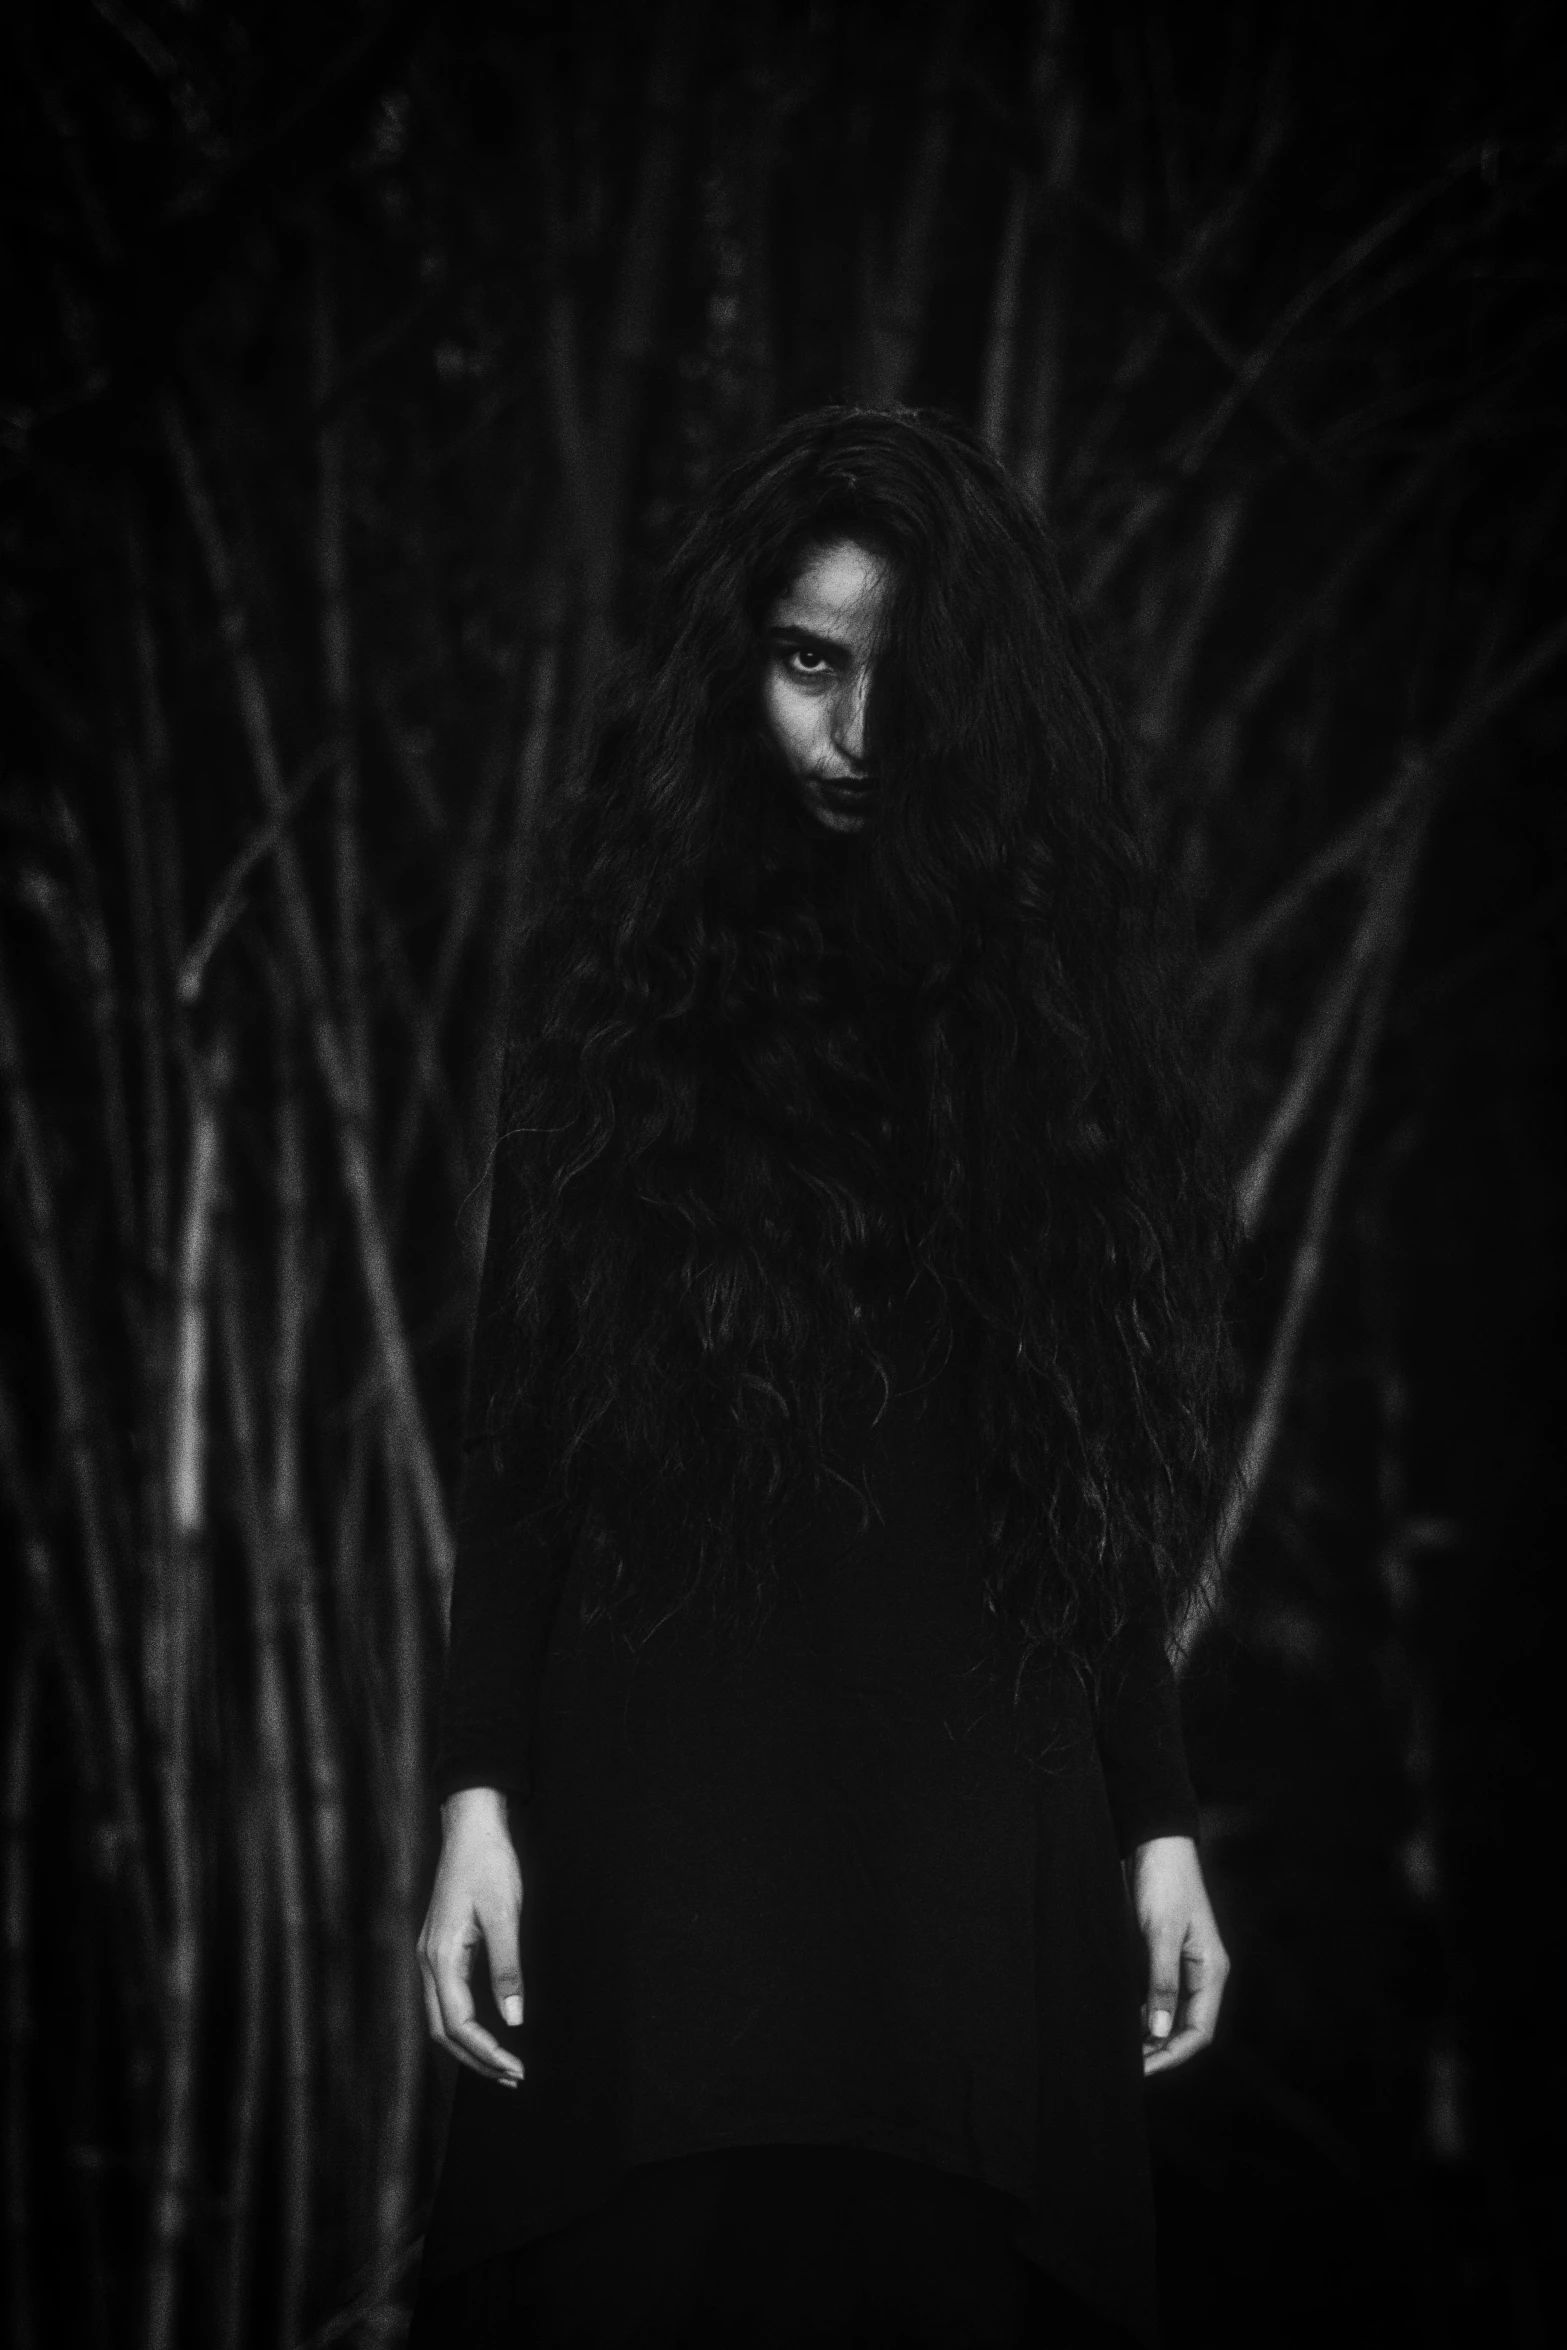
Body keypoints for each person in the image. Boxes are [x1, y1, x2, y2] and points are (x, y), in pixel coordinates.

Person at [407, 406, 1235, 2350]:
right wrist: (474, 1788)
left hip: (966, 1832)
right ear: (739, 668)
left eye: (906, 676)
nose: (855, 731)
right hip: (659, 1812)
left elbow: (1088, 1451)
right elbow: (527, 1436)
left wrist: (1161, 1812)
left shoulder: (1063, 1014)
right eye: (806, 660)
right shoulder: (620, 1000)